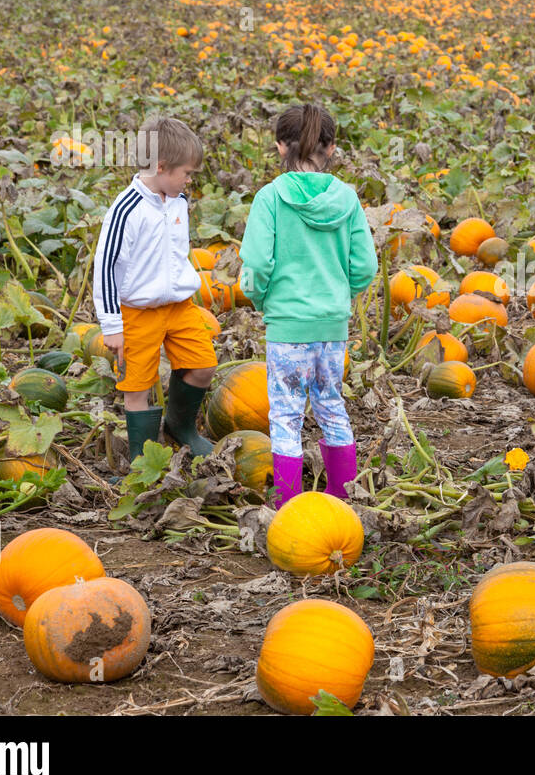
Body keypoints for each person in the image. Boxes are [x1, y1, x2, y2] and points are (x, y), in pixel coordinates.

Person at [239, 103, 378, 508]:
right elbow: (365, 265)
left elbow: (258, 265)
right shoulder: (347, 199)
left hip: (287, 326)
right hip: (331, 326)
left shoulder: (270, 198)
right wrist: (339, 297)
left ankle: (288, 506)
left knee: (286, 416)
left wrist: (263, 299)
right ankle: (342, 498)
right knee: (332, 405)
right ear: (330, 148)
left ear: (281, 146)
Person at [93, 116, 218, 462]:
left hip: (180, 307)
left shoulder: (177, 202)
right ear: (161, 167)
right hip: (137, 312)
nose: (190, 181)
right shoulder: (126, 210)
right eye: (187, 174)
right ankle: (141, 461)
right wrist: (112, 325)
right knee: (137, 388)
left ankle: (181, 427)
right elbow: (105, 267)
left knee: (204, 364)